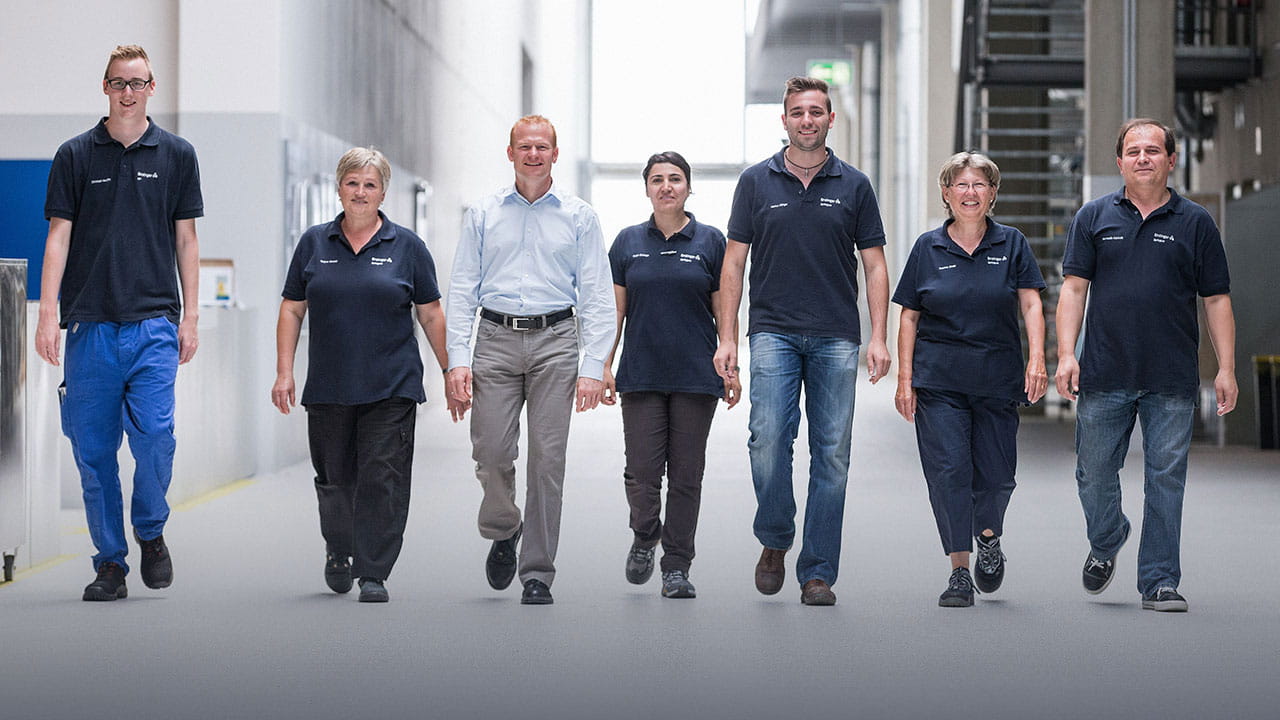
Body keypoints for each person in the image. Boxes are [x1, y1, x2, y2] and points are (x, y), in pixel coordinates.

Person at [714, 76, 891, 606]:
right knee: (767, 438)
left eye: (817, 111)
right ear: (784, 119)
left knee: (831, 455)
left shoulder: (855, 185)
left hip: (837, 336)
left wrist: (879, 337)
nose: (807, 120)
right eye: (798, 112)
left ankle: (817, 571)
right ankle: (774, 536)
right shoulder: (755, 182)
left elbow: (876, 265)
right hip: (771, 331)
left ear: (830, 119)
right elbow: (733, 264)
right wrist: (727, 337)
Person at [36, 45, 201, 601]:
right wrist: (47, 317)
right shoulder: (75, 155)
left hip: (154, 323)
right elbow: (57, 237)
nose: (128, 92)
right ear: (104, 88)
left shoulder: (177, 154)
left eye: (138, 82)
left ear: (152, 88)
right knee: (93, 451)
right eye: (118, 83)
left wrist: (191, 316)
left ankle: (150, 530)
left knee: (156, 438)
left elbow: (186, 239)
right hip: (89, 327)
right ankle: (110, 562)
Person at [1055, 118, 1237, 613]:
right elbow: (1073, 289)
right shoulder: (1094, 217)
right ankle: (1108, 536)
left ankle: (1159, 580)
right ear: (1119, 162)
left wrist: (1226, 368)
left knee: (1166, 478)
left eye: (1153, 150)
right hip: (1105, 373)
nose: (1143, 158)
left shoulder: (1195, 221)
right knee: (1093, 474)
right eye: (1133, 151)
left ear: (1171, 160)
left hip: (1171, 378)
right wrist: (1066, 353)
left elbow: (1216, 297)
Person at [272, 147, 461, 603]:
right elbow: (293, 309)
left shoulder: (408, 247)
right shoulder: (314, 244)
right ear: (339, 187)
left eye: (370, 184)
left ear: (383, 192)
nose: (360, 192)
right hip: (330, 386)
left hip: (391, 386)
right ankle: (339, 548)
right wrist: (283, 371)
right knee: (334, 480)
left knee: (383, 478)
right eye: (352, 183)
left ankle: (374, 571)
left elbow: (431, 314)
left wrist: (450, 370)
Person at [446, 115, 615, 606]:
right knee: (492, 453)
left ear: (555, 155)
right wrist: (458, 360)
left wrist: (592, 366)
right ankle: (504, 526)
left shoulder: (580, 217)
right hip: (495, 339)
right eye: (525, 147)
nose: (534, 154)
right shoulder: (482, 213)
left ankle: (537, 571)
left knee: (548, 460)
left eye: (543, 147)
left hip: (556, 341)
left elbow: (598, 296)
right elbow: (461, 290)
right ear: (511, 153)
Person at [892, 152, 1047, 607]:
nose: (970, 193)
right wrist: (905, 379)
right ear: (946, 193)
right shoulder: (928, 247)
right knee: (948, 473)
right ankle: (960, 569)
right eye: (960, 185)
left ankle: (989, 537)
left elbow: (1032, 304)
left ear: (993, 194)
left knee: (997, 478)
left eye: (980, 185)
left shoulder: (1012, 243)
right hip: (939, 380)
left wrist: (1037, 358)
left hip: (997, 378)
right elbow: (909, 317)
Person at [601, 151, 741, 599]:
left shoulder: (711, 242)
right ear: (646, 188)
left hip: (695, 376)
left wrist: (730, 361)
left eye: (675, 179)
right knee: (641, 473)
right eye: (657, 179)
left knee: (686, 475)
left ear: (688, 187)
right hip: (640, 375)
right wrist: (602, 363)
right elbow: (614, 313)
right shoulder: (626, 243)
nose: (666, 186)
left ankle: (677, 565)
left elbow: (725, 312)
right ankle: (645, 536)